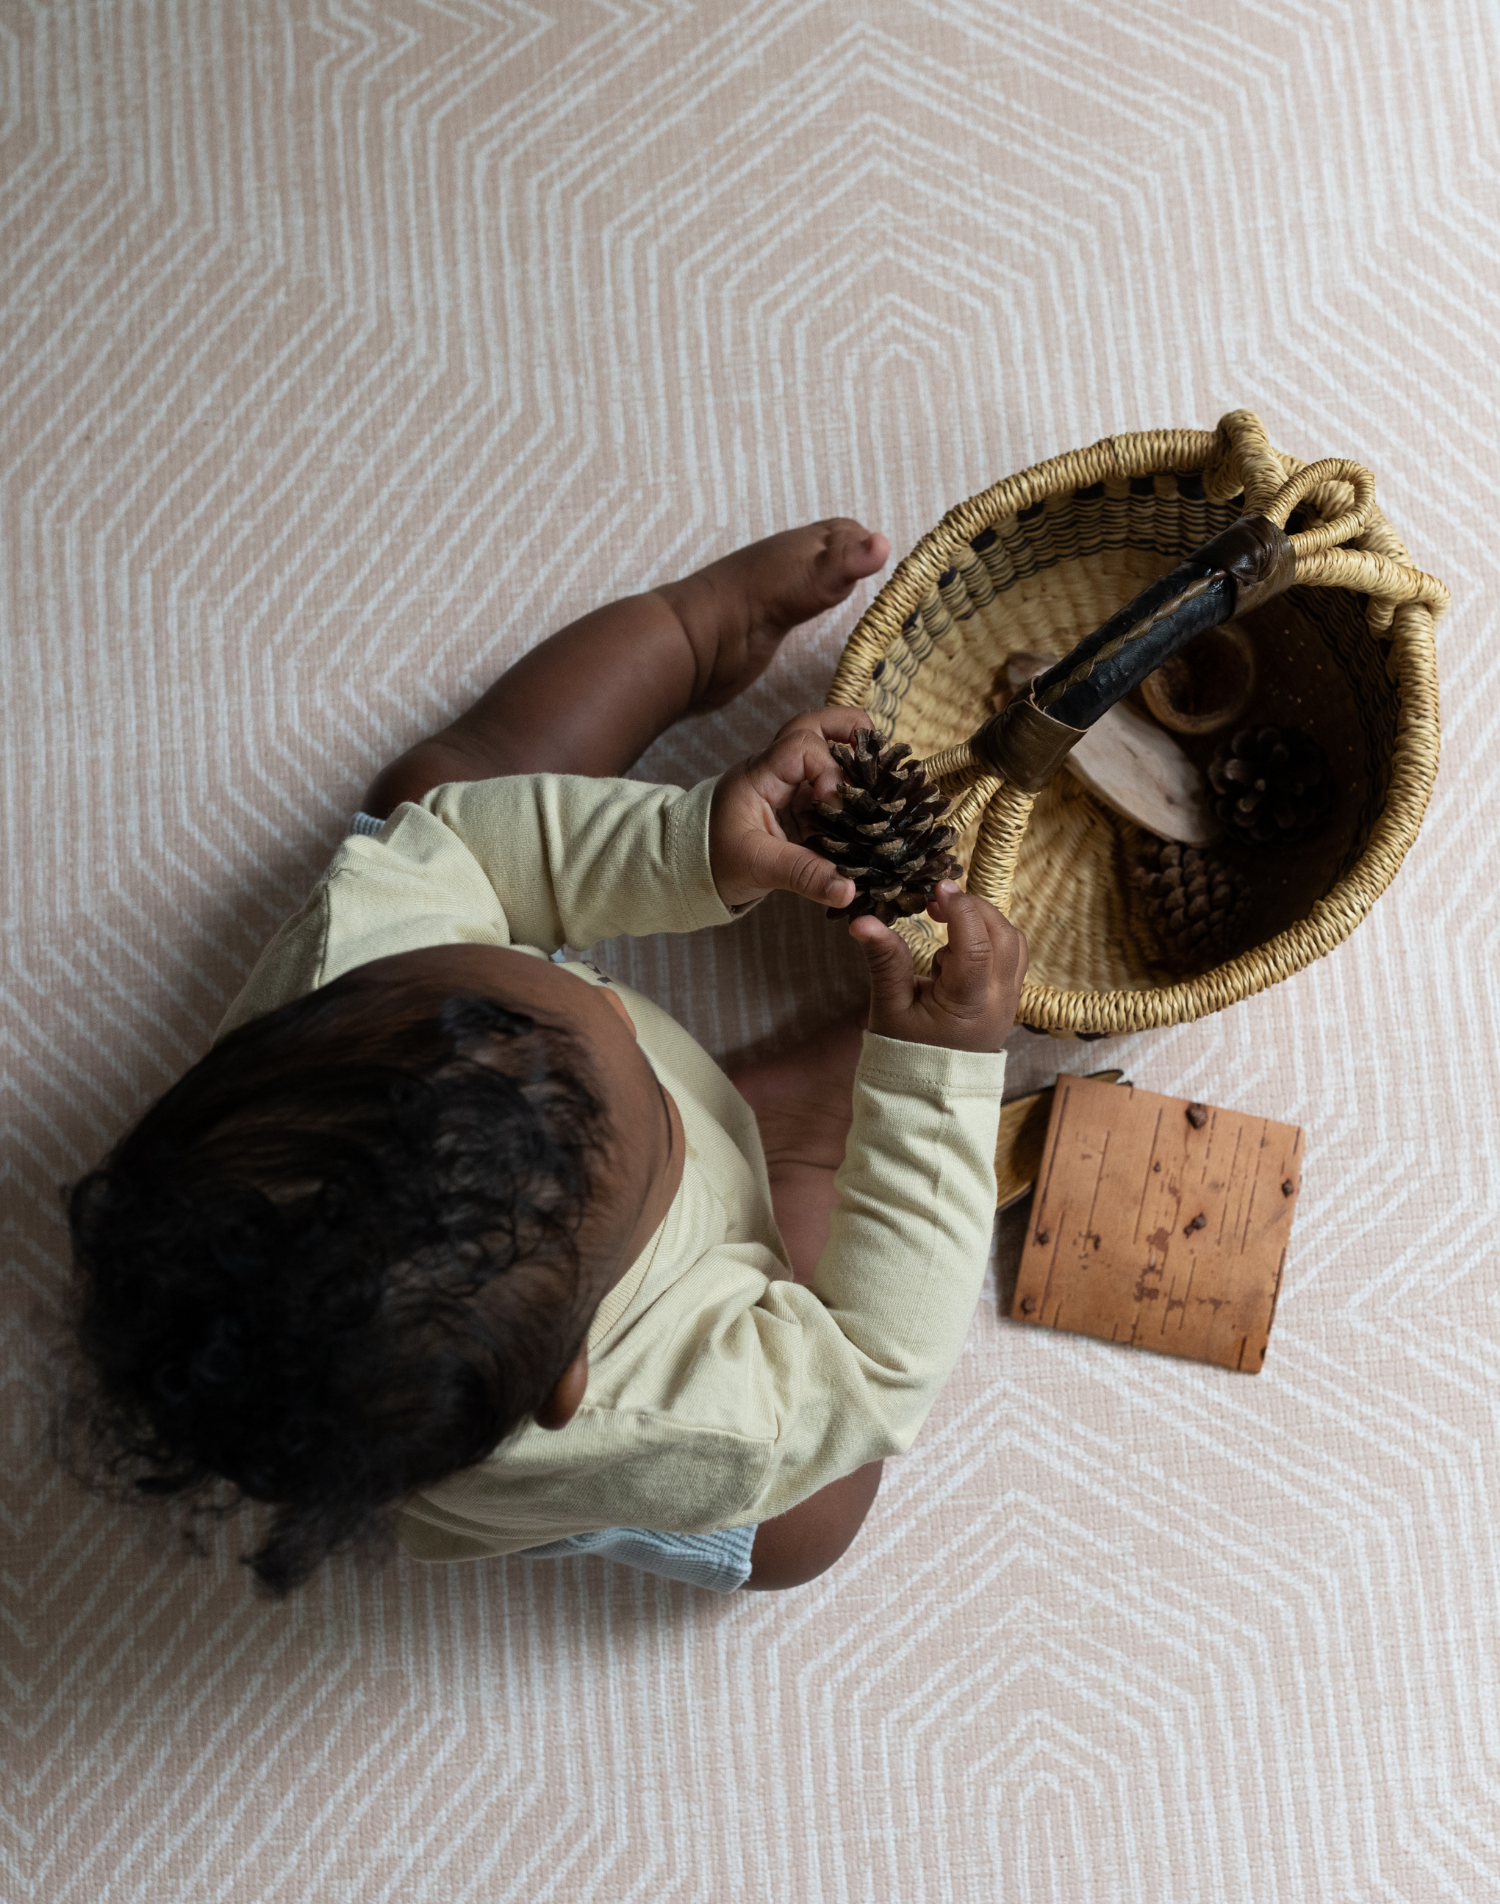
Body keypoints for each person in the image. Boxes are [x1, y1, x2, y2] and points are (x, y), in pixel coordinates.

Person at [67, 520, 1027, 1596]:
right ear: (573, 1375)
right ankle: (795, 1144)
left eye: (572, 993)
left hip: (424, 1089)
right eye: (662, 1122)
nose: (620, 1007)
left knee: (428, 795)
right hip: (627, 1367)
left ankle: (692, 630)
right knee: (804, 1518)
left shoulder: (369, 954)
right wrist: (941, 1076)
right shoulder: (652, 1404)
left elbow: (470, 848)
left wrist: (695, 843)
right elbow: (875, 1375)